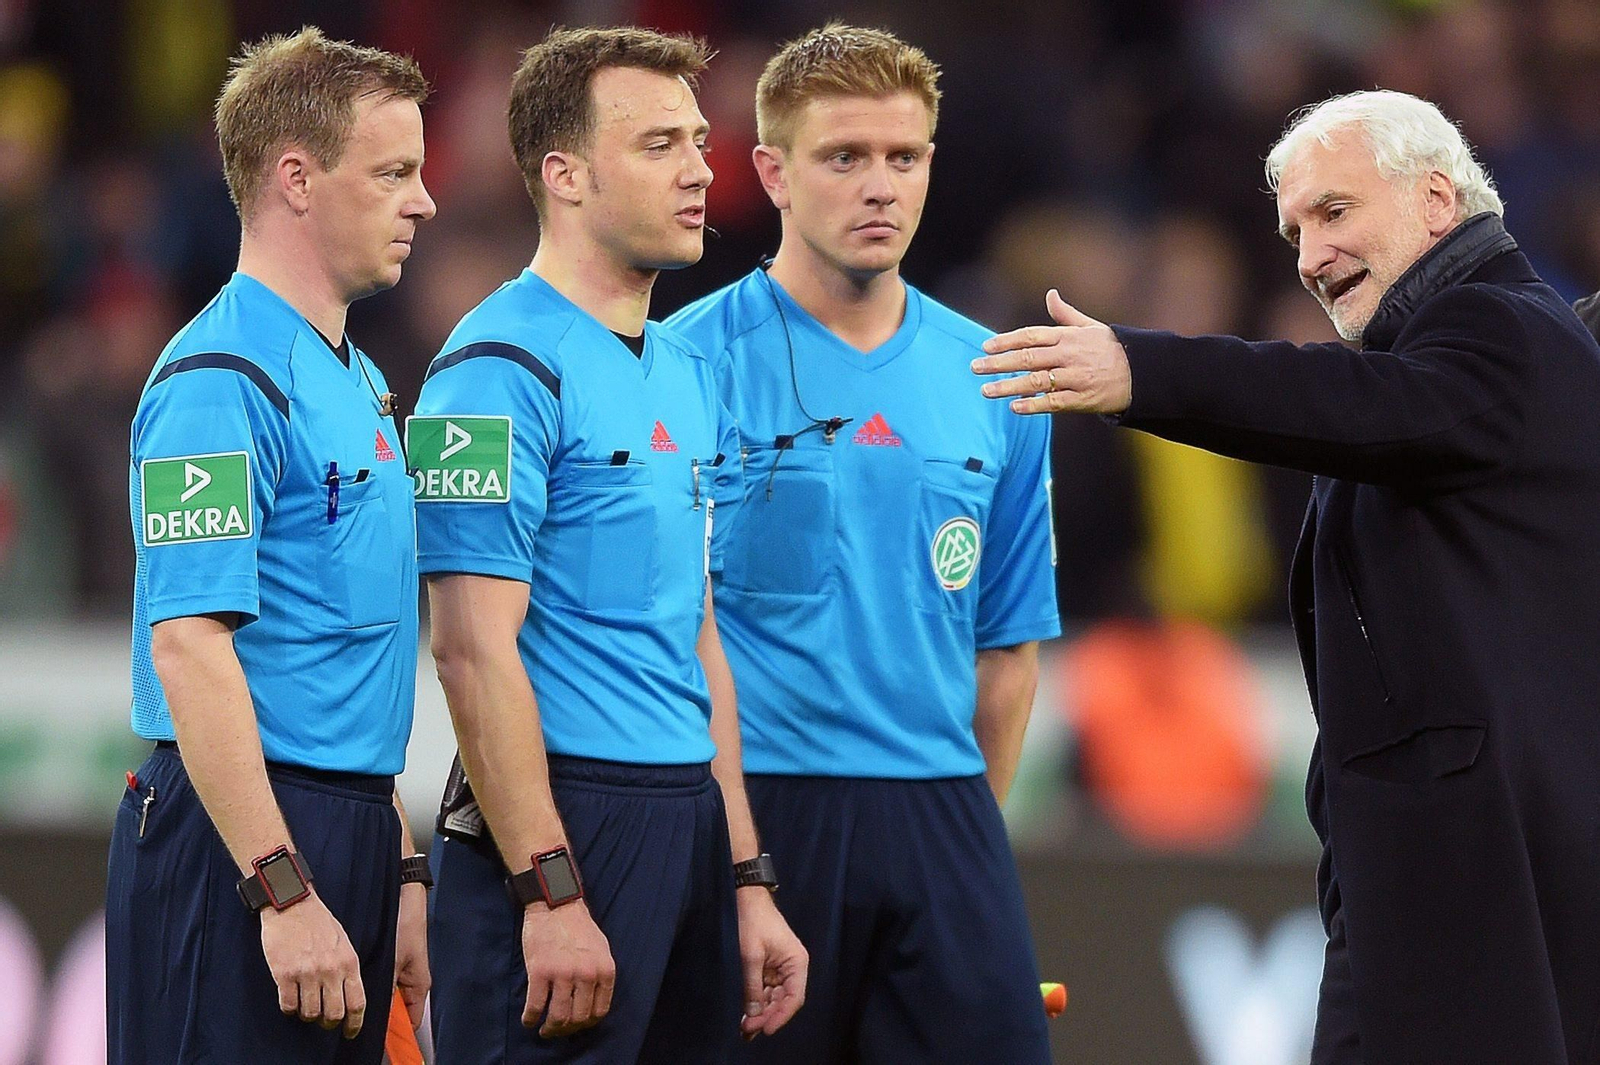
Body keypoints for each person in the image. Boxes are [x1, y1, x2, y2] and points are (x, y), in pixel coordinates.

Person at [974, 89, 1600, 1064]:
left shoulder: (1504, 333)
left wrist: (1137, 370)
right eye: (1293, 231)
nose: (1308, 258)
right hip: (1419, 873)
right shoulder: (1481, 351)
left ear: (1438, 201)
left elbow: (1331, 398)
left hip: (1484, 877)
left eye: (1334, 213)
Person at [668, 24, 1060, 1065]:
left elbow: (1009, 649)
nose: (878, 186)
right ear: (772, 173)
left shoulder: (999, 376)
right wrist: (734, 846)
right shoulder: (682, 364)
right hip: (758, 819)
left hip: (943, 814)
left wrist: (964, 836)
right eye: (844, 157)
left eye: (903, 157)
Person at [414, 27, 806, 1064]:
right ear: (567, 175)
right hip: (566, 822)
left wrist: (745, 876)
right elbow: (468, 648)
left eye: (697, 139)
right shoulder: (492, 371)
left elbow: (699, 639)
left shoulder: (683, 370)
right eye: (658, 145)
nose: (698, 168)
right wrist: (547, 888)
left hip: (685, 824)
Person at [110, 28, 436, 1065]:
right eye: (392, 172)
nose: (423, 200)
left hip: (338, 830)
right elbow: (190, 647)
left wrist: (401, 861)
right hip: (241, 844)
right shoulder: (218, 380)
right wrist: (281, 887)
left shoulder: (353, 378)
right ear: (296, 178)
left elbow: (345, 652)